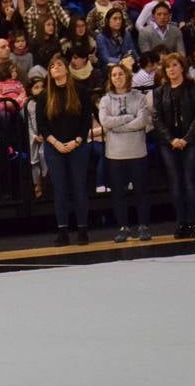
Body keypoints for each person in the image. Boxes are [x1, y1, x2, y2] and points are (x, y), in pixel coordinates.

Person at [36, 53, 93, 245]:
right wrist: (56, 143)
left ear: (66, 69)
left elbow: (86, 120)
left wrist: (76, 141)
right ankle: (62, 231)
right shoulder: (44, 97)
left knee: (79, 187)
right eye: (52, 67)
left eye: (59, 65)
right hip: (54, 147)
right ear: (50, 73)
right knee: (60, 189)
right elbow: (41, 125)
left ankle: (83, 230)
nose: (56, 68)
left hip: (77, 145)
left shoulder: (81, 91)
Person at [151, 53, 195, 238]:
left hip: (192, 140)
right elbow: (157, 118)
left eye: (174, 65)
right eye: (168, 67)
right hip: (169, 143)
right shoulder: (160, 91)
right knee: (175, 182)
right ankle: (181, 222)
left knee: (189, 179)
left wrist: (186, 138)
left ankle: (192, 222)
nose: (171, 69)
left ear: (182, 67)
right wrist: (171, 140)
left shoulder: (194, 88)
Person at [97, 65, 152, 242]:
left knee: (141, 191)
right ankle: (123, 227)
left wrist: (118, 126)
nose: (117, 77)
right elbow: (104, 122)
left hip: (137, 151)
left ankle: (143, 226)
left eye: (120, 74)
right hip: (115, 153)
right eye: (114, 75)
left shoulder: (140, 98)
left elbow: (142, 121)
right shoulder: (105, 100)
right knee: (118, 193)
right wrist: (128, 118)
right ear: (110, 78)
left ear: (127, 76)